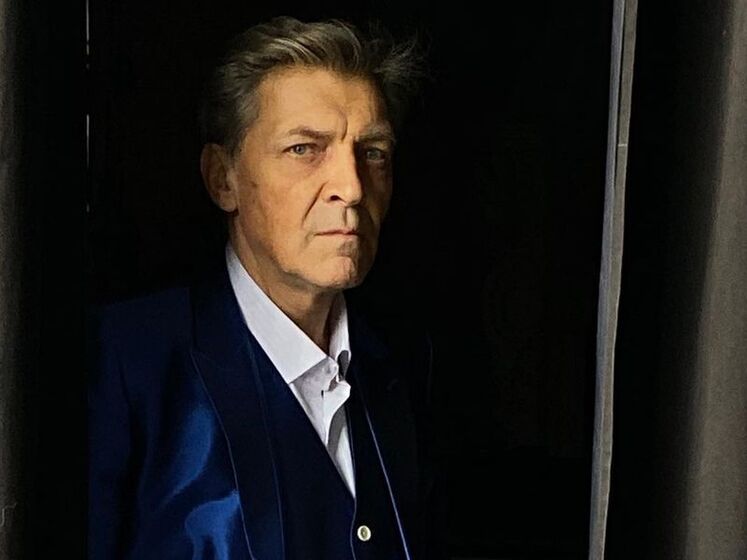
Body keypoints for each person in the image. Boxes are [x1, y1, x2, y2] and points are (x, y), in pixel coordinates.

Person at [87, 15, 444, 560]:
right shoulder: (124, 362)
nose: (351, 188)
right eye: (304, 149)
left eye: (372, 152)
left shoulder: (403, 363)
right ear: (222, 178)